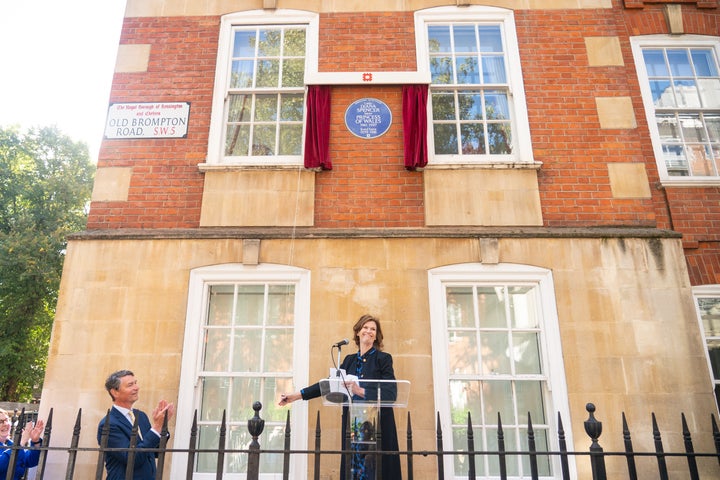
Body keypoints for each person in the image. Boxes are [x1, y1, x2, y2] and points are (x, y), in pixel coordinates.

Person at [279, 314, 401, 479]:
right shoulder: (349, 361)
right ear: (358, 332)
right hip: (354, 426)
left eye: (373, 329)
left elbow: (390, 393)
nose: (369, 331)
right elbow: (328, 384)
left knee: (376, 470)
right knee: (354, 471)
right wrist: (297, 395)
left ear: (376, 335)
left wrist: (361, 391)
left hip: (377, 425)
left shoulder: (383, 359)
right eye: (365, 327)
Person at [97, 369, 176, 480]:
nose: (136, 387)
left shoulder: (141, 416)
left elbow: (155, 452)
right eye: (130, 385)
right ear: (115, 392)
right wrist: (156, 427)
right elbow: (133, 459)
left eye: (135, 383)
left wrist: (162, 426)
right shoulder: (108, 424)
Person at [0, 408, 45, 480]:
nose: (5, 424)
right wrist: (21, 442)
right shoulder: (13, 446)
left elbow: (31, 461)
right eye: (0, 422)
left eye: (6, 420)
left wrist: (35, 441)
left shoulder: (9, 444)